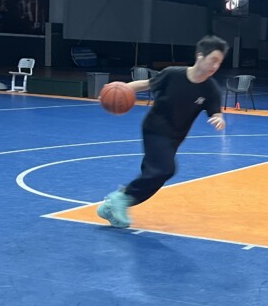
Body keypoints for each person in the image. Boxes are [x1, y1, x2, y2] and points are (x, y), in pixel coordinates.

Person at [97, 35, 229, 228]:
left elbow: (216, 111)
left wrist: (218, 118)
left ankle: (116, 203)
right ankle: (119, 199)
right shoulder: (173, 74)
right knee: (165, 169)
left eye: (219, 62)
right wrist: (119, 88)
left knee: (161, 172)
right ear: (200, 56)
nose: (215, 66)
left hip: (175, 137)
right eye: (213, 60)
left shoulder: (210, 88)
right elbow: (146, 84)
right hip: (155, 129)